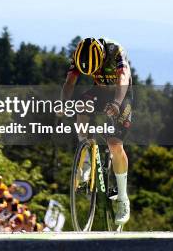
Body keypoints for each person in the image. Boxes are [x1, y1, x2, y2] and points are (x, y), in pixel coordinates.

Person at [60, 37, 133, 225]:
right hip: (99, 91)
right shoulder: (80, 54)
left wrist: (117, 103)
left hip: (120, 93)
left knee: (115, 144)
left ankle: (123, 198)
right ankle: (85, 156)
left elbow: (123, 78)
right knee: (82, 106)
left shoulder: (116, 51)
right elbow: (70, 82)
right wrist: (64, 102)